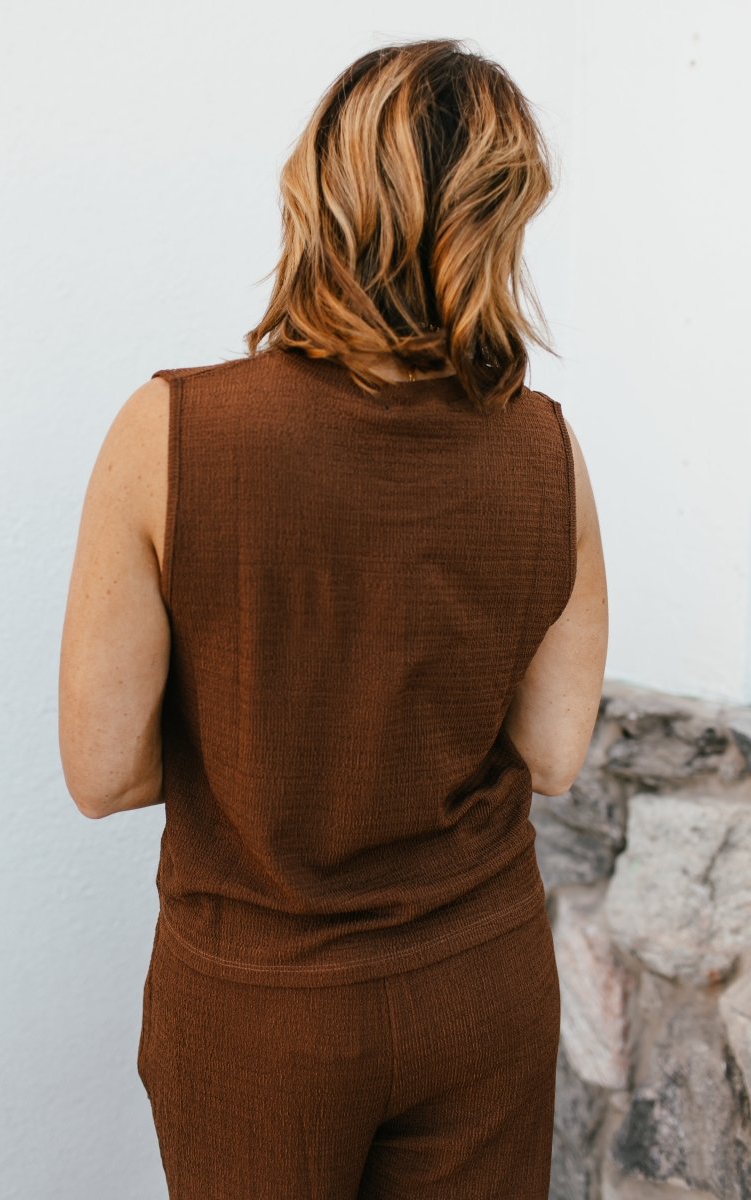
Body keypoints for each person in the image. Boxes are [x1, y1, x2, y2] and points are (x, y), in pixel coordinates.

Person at [59, 36, 608, 1200]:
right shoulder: (544, 447)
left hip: (262, 1008)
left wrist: (270, 744)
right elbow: (555, 755)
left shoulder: (168, 434)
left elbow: (103, 774)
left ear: (316, 194)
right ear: (499, 219)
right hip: (481, 983)